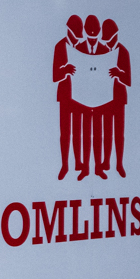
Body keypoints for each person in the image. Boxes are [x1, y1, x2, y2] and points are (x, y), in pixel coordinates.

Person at [97, 17, 131, 178]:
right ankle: (106, 162)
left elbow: (129, 80)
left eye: (109, 38)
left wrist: (119, 73)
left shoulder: (123, 52)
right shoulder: (102, 51)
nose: (108, 42)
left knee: (118, 133)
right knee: (106, 132)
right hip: (104, 98)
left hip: (118, 98)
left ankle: (119, 164)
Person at [53, 15, 82, 179]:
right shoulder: (60, 46)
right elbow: (54, 76)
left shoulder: (82, 47)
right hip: (65, 96)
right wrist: (65, 69)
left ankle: (78, 163)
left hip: (80, 96)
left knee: (78, 131)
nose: (77, 37)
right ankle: (65, 165)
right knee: (65, 133)